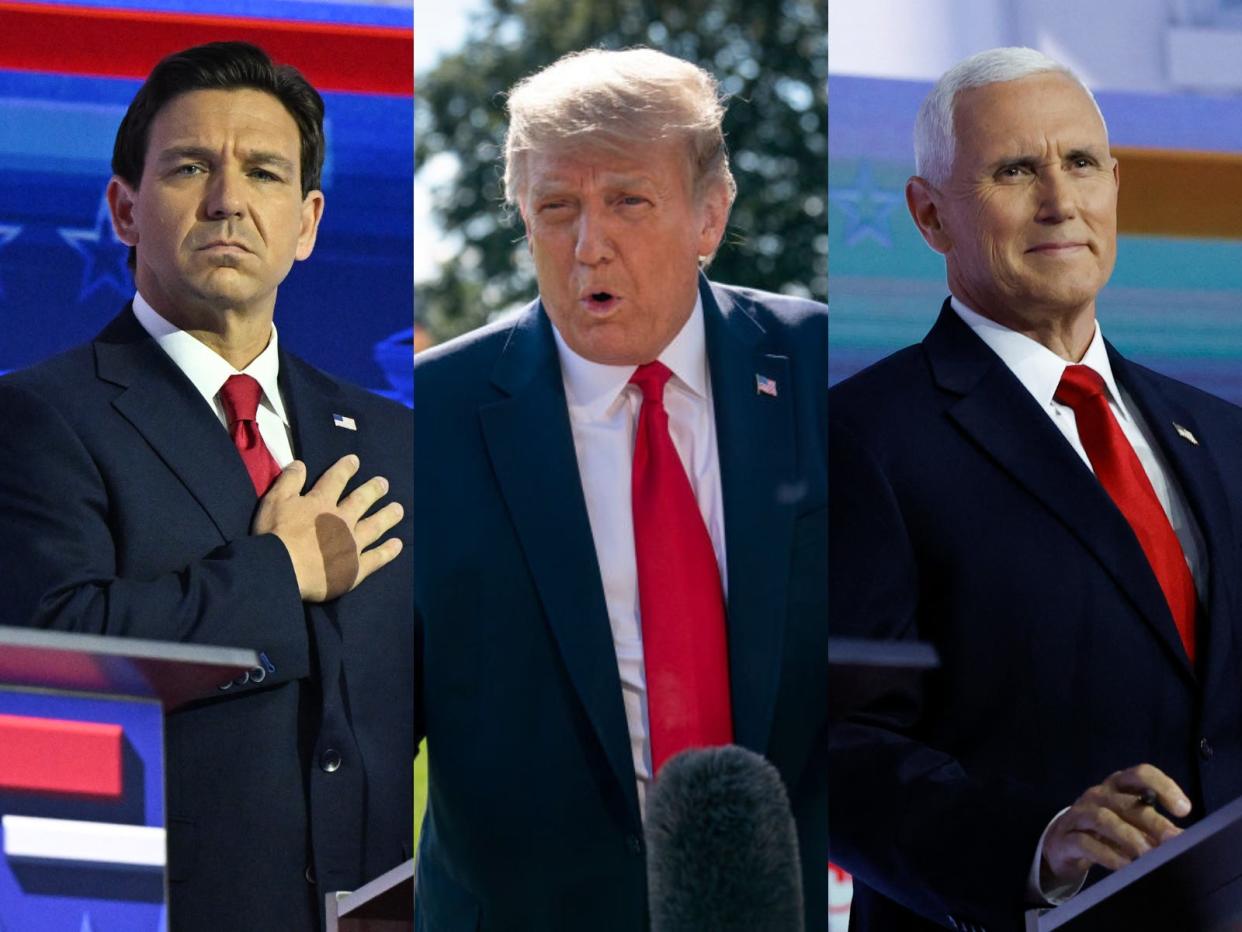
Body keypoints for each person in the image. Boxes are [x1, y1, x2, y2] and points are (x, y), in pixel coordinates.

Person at [0, 42, 412, 930]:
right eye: (191, 167)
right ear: (124, 209)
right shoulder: (36, 418)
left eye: (264, 173)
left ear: (305, 224)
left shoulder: (393, 439)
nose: (228, 201)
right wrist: (277, 572)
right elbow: (50, 661)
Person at [829, 46, 1242, 932]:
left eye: (1081, 163)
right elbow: (836, 745)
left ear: (1115, 185)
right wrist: (1039, 842)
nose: (1061, 201)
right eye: (1016, 170)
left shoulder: (1223, 434)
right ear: (929, 214)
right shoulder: (860, 439)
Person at [413, 47, 827, 931]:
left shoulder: (826, 374)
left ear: (709, 216)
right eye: (555, 207)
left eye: (627, 202)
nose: (586, 244)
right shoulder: (432, 418)